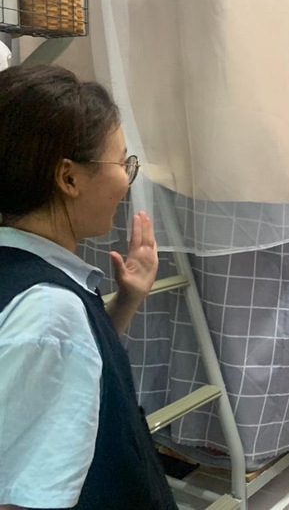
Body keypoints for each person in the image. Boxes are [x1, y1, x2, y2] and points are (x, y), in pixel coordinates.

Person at [0, 65, 175, 509]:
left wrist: (126, 302)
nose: (126, 180)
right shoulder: (48, 310)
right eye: (122, 163)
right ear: (69, 178)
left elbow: (58, 375)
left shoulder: (28, 280)